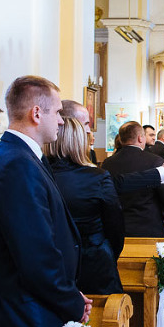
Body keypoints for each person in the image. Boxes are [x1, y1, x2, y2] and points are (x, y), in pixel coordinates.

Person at [0, 75, 93, 327]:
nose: (62, 121)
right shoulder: (17, 164)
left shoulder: (20, 157)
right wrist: (71, 301)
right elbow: (36, 254)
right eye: (57, 112)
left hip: (30, 308)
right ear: (37, 113)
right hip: (24, 317)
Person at [45, 117, 126, 294]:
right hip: (94, 259)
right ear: (80, 142)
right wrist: (108, 251)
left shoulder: (38, 174)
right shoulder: (98, 177)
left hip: (53, 263)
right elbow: (115, 224)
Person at [102, 121, 164, 238]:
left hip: (116, 230)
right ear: (140, 138)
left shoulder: (107, 163)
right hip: (148, 227)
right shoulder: (154, 161)